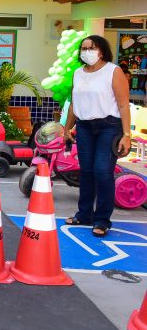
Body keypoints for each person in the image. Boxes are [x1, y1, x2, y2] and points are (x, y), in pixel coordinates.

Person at [63, 35, 130, 238]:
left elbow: (123, 105)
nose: (86, 52)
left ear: (101, 50)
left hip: (108, 127)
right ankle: (84, 214)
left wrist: (127, 134)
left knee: (102, 172)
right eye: (83, 48)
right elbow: (74, 104)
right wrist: (67, 128)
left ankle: (102, 219)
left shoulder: (113, 71)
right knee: (87, 172)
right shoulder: (78, 73)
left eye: (91, 48)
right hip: (84, 127)